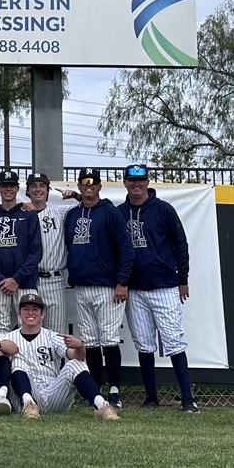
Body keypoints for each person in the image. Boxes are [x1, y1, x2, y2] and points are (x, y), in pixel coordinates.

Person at [118, 163, 199, 413]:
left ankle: (187, 399)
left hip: (164, 286)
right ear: (125, 182)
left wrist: (182, 279)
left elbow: (180, 245)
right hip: (135, 289)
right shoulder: (120, 212)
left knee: (174, 342)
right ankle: (151, 397)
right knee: (144, 344)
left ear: (148, 182)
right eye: (132, 180)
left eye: (140, 180)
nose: (136, 184)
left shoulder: (163, 209)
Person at [63, 167, 133, 409]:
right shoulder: (73, 214)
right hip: (82, 286)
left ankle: (114, 391)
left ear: (100, 186)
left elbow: (126, 249)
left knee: (109, 340)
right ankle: (94, 392)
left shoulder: (110, 212)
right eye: (84, 182)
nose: (88, 186)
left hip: (107, 287)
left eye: (93, 182)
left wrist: (122, 282)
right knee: (90, 342)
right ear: (79, 186)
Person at [0, 292, 119, 421]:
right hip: (27, 398)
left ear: (42, 314)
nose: (30, 313)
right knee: (17, 362)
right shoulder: (8, 338)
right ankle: (28, 404)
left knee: (75, 363)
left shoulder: (52, 336)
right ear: (19, 314)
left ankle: (102, 406)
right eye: (26, 309)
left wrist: (79, 346)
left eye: (35, 309)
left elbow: (78, 357)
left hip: (54, 393)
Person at [0, 169, 42, 332]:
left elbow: (36, 252)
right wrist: (0, 279)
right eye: (4, 186)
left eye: (12, 186)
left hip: (25, 282)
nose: (8, 189)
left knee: (29, 327)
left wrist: (16, 279)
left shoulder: (29, 216)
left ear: (17, 188)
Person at [25, 171, 75, 332]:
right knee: (29, 332)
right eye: (33, 186)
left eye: (42, 186)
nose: (38, 189)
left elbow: (91, 204)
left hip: (55, 280)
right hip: (29, 281)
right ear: (28, 191)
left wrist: (76, 195)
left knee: (56, 333)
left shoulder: (59, 212)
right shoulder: (21, 214)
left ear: (48, 191)